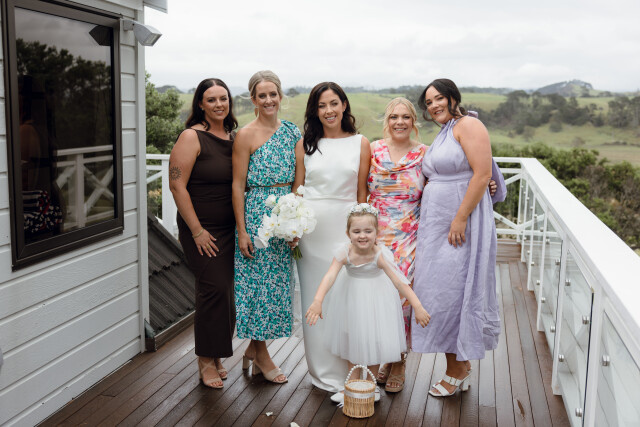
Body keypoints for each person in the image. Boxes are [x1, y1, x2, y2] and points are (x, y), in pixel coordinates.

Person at [412, 78, 501, 397]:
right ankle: (459, 362)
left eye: (439, 98)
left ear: (453, 97)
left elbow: (482, 174)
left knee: (454, 291)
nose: (434, 105)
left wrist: (460, 217)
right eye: (429, 102)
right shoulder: (446, 131)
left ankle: (458, 368)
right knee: (440, 291)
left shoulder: (469, 125)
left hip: (460, 222)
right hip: (437, 223)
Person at [305, 204, 430, 403]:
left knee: (374, 339)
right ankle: (351, 384)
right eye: (356, 231)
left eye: (368, 231)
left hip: (376, 299)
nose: (362, 236)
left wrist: (418, 306)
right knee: (350, 337)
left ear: (376, 232)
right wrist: (317, 300)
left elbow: (399, 282)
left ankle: (371, 385)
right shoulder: (345, 251)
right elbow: (329, 276)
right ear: (348, 233)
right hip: (350, 298)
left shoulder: (379, 255)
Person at [292, 81, 371, 393]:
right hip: (311, 234)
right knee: (316, 299)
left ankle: (352, 371)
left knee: (348, 301)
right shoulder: (305, 145)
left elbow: (362, 193)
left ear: (344, 105)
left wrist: (361, 235)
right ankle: (323, 374)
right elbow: (298, 190)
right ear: (314, 111)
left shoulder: (361, 143)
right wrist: (292, 226)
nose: (328, 110)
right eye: (321, 105)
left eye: (333, 103)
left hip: (346, 231)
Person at [232, 70, 301, 384]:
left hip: (284, 215)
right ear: (253, 99)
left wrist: (294, 223)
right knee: (256, 287)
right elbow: (237, 185)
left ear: (280, 96)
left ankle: (254, 350)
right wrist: (243, 231)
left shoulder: (292, 132)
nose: (269, 100)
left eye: (273, 94)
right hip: (255, 216)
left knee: (276, 289)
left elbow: (299, 180)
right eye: (262, 95)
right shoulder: (245, 135)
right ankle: (262, 355)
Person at [169, 78, 238, 389]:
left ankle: (217, 354)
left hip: (230, 228)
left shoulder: (233, 137)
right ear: (200, 103)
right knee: (213, 289)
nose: (219, 104)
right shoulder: (191, 136)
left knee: (225, 292)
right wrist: (196, 231)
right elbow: (176, 185)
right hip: (200, 229)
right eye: (211, 99)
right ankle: (205, 360)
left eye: (223, 98)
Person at [367, 97, 426, 393]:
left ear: (413, 121)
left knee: (401, 299)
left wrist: (490, 183)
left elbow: (449, 181)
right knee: (377, 298)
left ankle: (399, 359)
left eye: (405, 117)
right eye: (394, 117)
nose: (399, 122)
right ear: (386, 121)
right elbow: (357, 187)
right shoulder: (372, 149)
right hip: (374, 237)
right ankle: (384, 353)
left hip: (408, 236)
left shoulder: (424, 154)